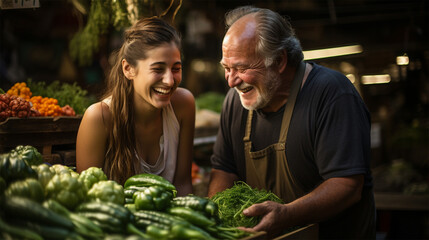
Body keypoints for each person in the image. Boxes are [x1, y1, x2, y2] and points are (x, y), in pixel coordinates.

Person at [208, 6, 376, 239]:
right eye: (226, 68)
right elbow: (224, 170)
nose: (231, 81)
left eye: (242, 68)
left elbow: (347, 186)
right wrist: (214, 218)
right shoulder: (235, 103)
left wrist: (287, 214)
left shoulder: (332, 94)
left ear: (278, 61)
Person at [76, 17, 195, 196]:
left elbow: (183, 185)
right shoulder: (99, 117)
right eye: (158, 69)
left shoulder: (184, 105)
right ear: (128, 69)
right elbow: (87, 197)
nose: (170, 81)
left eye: (176, 68)